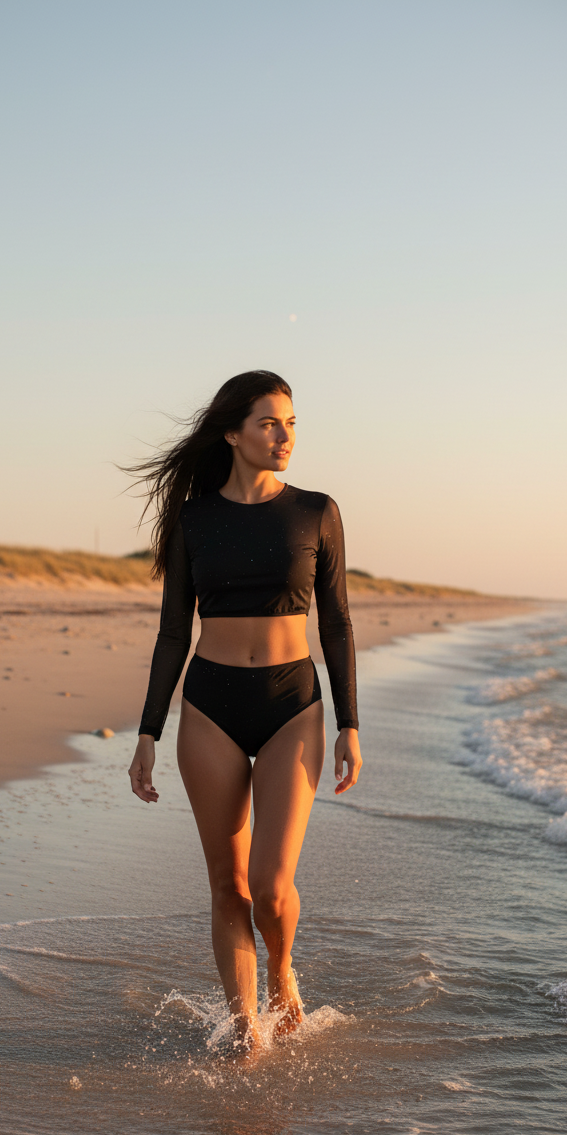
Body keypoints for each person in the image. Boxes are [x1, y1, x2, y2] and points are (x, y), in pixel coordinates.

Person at [127, 370, 362, 1053]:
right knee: (227, 884)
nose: (283, 436)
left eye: (291, 424)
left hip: (292, 706)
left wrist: (349, 724)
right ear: (232, 432)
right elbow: (174, 630)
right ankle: (242, 1028)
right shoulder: (194, 520)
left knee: (269, 885)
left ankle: (283, 970)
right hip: (209, 707)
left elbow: (338, 626)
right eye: (268, 423)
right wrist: (148, 732)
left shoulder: (316, 510)